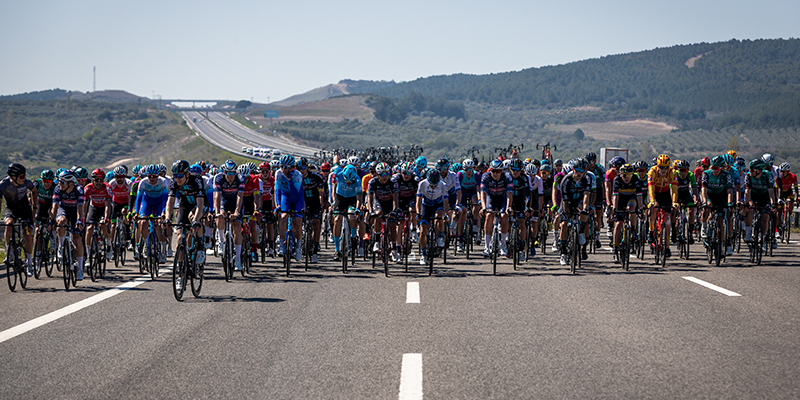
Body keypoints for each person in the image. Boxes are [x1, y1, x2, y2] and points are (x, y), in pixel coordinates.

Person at [165, 159, 206, 291]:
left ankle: (200, 246)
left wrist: (196, 220)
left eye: (180, 176)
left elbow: (200, 204)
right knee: (179, 238)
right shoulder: (174, 182)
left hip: (198, 205)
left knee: (194, 220)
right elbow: (170, 202)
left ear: (187, 174)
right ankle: (181, 274)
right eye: (175, 175)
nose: (177, 179)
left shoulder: (197, 180)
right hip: (184, 205)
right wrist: (167, 218)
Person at [1, 163, 37, 277]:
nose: (24, 178)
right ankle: (10, 252)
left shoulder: (27, 183)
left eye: (25, 175)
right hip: (11, 209)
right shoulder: (3, 185)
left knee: (27, 236)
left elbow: (34, 191)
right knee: (8, 225)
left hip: (25, 209)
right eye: (22, 176)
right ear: (13, 177)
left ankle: (29, 263)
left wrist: (34, 209)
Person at [51, 170, 85, 279]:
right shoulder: (58, 189)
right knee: (61, 222)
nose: (59, 184)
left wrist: (79, 220)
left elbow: (80, 207)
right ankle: (61, 246)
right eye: (59, 181)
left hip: (75, 212)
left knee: (77, 239)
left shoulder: (79, 190)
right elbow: (55, 206)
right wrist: (52, 220)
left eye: (62, 182)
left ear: (70, 184)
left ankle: (80, 269)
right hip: (63, 210)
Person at [214, 160, 245, 269]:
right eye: (227, 173)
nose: (230, 175)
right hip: (224, 201)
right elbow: (217, 197)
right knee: (220, 218)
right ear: (224, 172)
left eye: (232, 173)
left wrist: (236, 212)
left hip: (236, 202)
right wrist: (217, 212)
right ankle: (221, 241)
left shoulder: (240, 178)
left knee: (237, 227)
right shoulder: (219, 178)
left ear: (236, 173)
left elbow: (240, 196)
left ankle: (238, 260)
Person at [611, 164, 644, 263]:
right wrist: (614, 209)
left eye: (629, 175)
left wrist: (641, 209)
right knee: (618, 224)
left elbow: (639, 196)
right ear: (620, 174)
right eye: (624, 175)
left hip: (631, 198)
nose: (627, 178)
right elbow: (615, 196)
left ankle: (633, 229)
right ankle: (615, 249)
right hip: (620, 200)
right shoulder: (617, 179)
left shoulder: (635, 179)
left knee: (632, 209)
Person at [480, 159, 512, 257]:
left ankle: (503, 244)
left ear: (502, 171)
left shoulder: (507, 176)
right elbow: (483, 193)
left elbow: (509, 194)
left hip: (503, 198)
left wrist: (508, 208)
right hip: (491, 198)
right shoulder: (485, 176)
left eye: (497, 171)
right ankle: (486, 246)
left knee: (504, 217)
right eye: (493, 171)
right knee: (489, 216)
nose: (495, 173)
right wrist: (483, 207)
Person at [417, 169, 449, 264]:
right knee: (423, 231)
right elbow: (418, 200)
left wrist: (446, 214)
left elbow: (445, 202)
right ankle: (423, 254)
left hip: (438, 204)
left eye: (435, 185)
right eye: (431, 185)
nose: (434, 187)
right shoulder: (422, 184)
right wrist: (418, 213)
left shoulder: (443, 185)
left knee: (440, 216)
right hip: (426, 205)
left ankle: (440, 236)